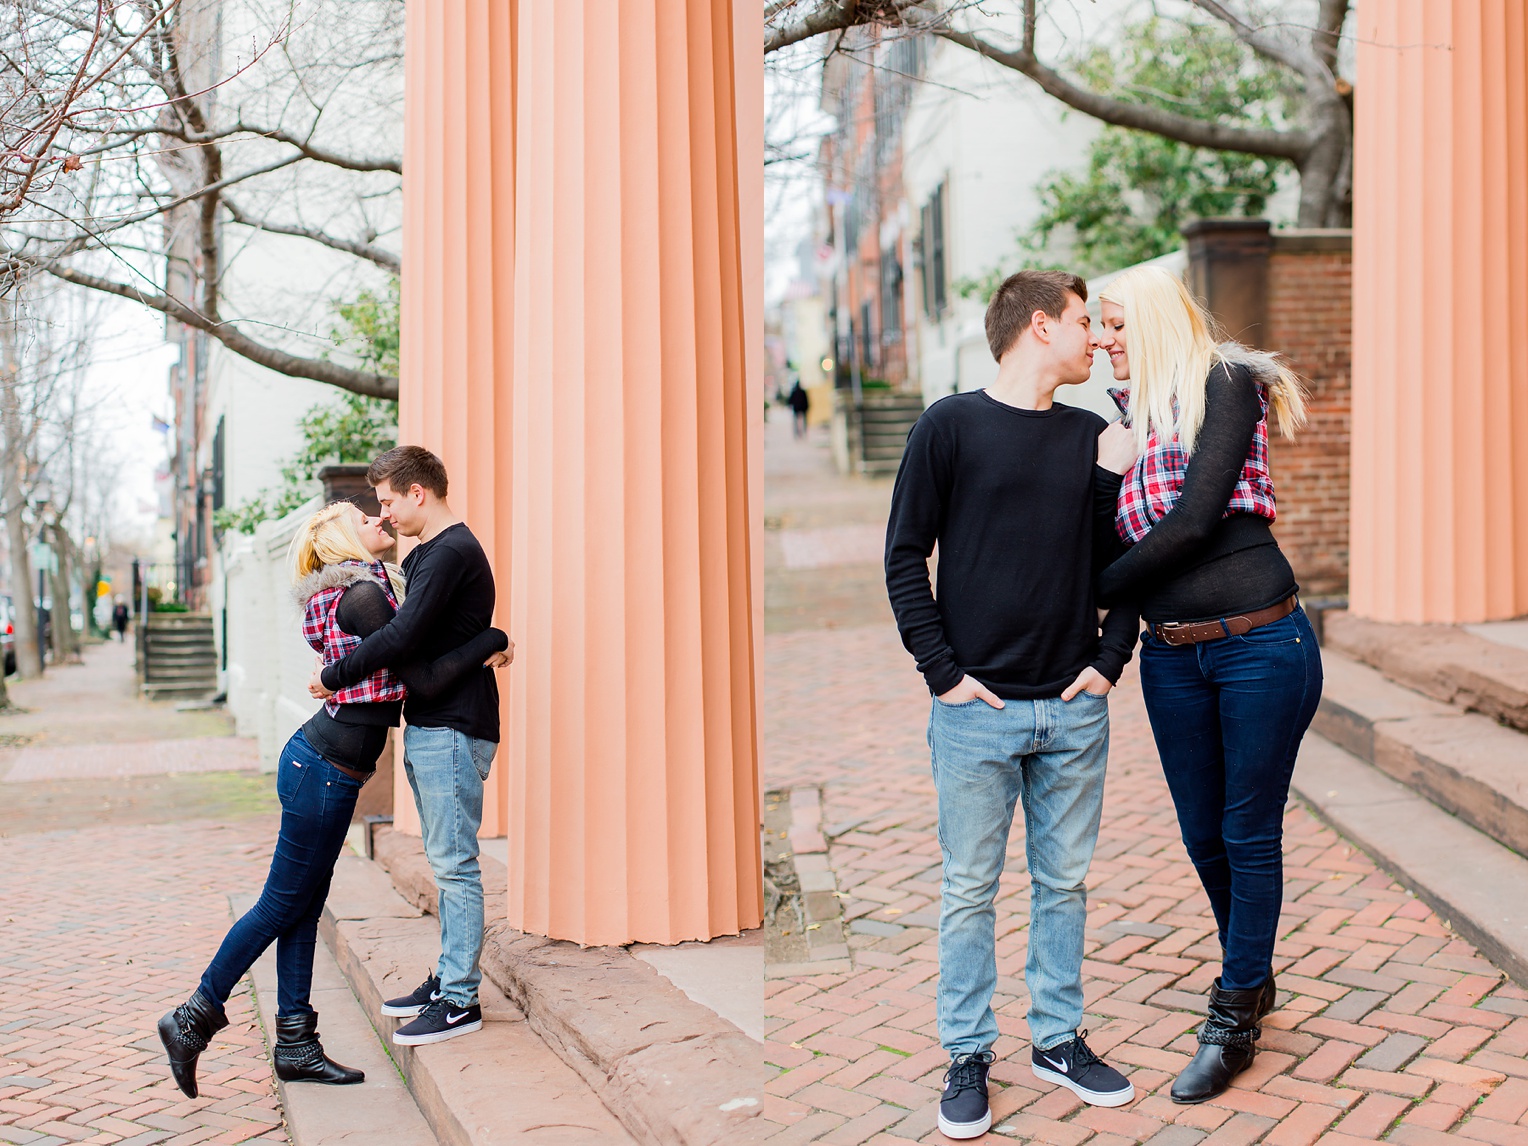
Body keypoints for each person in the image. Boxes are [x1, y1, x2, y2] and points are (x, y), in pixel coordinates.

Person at [885, 270, 1142, 1139]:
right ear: (1040, 326)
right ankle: (967, 1051)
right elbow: (903, 557)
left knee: (1063, 884)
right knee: (968, 890)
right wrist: (943, 674)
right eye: (1084, 322)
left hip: (1073, 708)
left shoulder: (1093, 437)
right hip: (975, 714)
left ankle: (1058, 1041)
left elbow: (1124, 561)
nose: (1095, 338)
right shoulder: (948, 426)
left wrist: (1112, 659)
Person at [157, 502, 510, 1099]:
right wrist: (492, 639)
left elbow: (404, 658)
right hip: (321, 769)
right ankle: (192, 1018)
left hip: (325, 767)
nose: (378, 518)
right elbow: (420, 678)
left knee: (302, 903)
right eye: (363, 516)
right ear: (342, 538)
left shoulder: (363, 590)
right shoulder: (365, 598)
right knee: (280, 905)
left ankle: (295, 1041)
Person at [1093, 265, 1321, 1105]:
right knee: (1202, 834)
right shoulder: (1121, 423)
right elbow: (1094, 531)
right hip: (1171, 656)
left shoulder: (1223, 383)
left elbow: (1193, 521)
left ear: (1151, 322)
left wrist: (1092, 590)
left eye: (1115, 326)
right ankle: (1250, 972)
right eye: (1097, 327)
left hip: (1260, 644)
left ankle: (1233, 1015)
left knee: (1247, 828)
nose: (1102, 341)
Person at [308, 446, 506, 1047]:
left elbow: (401, 639)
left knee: (453, 865)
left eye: (389, 500)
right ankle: (448, 977)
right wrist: (491, 639)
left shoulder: (448, 553)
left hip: (452, 726)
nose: (385, 514)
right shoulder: (428, 556)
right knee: (445, 862)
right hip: (433, 722)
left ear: (418, 493)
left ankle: (459, 1000)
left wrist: (336, 678)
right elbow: (418, 666)